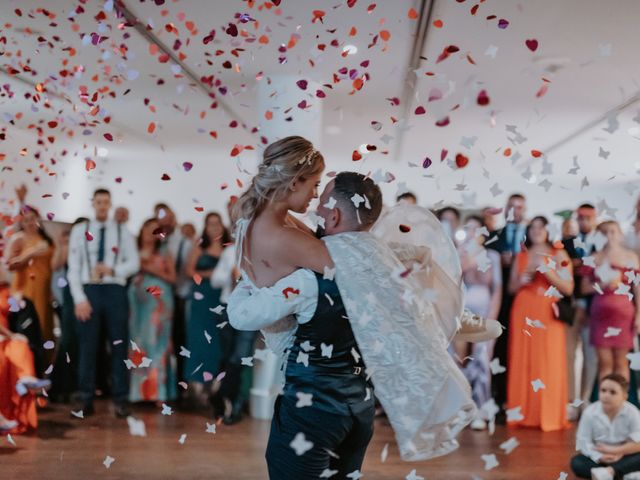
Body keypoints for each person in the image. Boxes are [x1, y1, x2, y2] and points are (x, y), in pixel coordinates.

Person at [227, 138, 486, 476]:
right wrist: (427, 283)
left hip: (314, 396)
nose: (315, 201)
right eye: (315, 185)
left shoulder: (266, 224)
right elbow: (362, 260)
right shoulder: (289, 237)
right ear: (294, 182)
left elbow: (353, 253)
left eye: (321, 191)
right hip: (340, 396)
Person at [67, 188, 139, 417]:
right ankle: (85, 398)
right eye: (98, 201)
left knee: (119, 346)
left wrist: (114, 269)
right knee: (88, 347)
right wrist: (79, 299)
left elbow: (134, 262)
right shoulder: (79, 230)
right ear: (93, 203)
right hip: (90, 291)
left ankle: (121, 399)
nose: (102, 205)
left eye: (106, 202)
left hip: (115, 290)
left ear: (110, 204)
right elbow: (74, 267)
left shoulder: (122, 230)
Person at [507, 216, 574, 431]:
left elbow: (568, 288)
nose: (537, 230)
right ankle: (523, 412)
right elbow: (510, 288)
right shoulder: (521, 255)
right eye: (533, 227)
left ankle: (548, 414)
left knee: (548, 359)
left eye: (541, 226)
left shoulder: (558, 254)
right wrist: (521, 280)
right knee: (523, 359)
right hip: (523, 309)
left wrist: (548, 272)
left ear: (548, 230)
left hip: (547, 312)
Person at [453, 215, 502, 430]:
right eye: (468, 229)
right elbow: (450, 280)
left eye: (476, 229)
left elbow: (497, 288)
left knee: (482, 359)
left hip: (484, 311)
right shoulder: (458, 254)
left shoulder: (493, 256)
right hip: (461, 311)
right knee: (458, 359)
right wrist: (467, 259)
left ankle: (481, 409)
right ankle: (461, 407)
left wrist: (492, 315)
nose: (473, 233)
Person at [209, 198, 253, 424]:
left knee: (240, 357)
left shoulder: (259, 249)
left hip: (250, 310)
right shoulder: (229, 252)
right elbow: (215, 281)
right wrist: (229, 274)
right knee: (228, 356)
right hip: (227, 307)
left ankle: (227, 401)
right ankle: (225, 403)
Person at [581, 221, 640, 384]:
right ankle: (605, 404)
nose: (609, 236)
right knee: (604, 363)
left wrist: (639, 316)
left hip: (624, 315)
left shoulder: (631, 257)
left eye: (613, 231)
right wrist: (603, 284)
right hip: (600, 315)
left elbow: (637, 289)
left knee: (621, 362)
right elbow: (584, 288)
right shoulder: (594, 257)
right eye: (605, 232)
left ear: (620, 234)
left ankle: (621, 404)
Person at [487, 193, 528, 413]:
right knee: (500, 348)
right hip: (500, 302)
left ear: (525, 210)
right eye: (511, 207)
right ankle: (499, 397)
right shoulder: (493, 237)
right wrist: (503, 264)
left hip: (527, 302)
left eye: (520, 207)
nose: (515, 211)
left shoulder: (534, 237)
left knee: (523, 349)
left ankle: (520, 398)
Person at [128, 218, 177, 403]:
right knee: (138, 343)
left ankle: (159, 393)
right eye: (147, 229)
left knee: (156, 342)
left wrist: (150, 269)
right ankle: (139, 393)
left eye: (154, 231)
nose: (150, 234)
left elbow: (173, 278)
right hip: (137, 302)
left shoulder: (165, 252)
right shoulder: (133, 251)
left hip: (159, 303)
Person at [183, 212, 229, 394]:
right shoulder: (199, 246)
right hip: (201, 295)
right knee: (199, 338)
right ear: (205, 226)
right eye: (211, 224)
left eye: (217, 224)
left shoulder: (228, 246)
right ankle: (196, 383)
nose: (214, 227)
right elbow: (189, 272)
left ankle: (213, 381)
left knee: (217, 339)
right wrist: (208, 276)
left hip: (221, 296)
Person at [563, 204, 599, 420]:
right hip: (570, 306)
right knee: (568, 354)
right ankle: (570, 401)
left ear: (595, 219)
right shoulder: (566, 243)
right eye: (581, 217)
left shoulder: (603, 243)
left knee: (590, 356)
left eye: (589, 217)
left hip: (594, 306)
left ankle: (586, 401)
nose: (585, 221)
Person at [570, 373, 640, 480]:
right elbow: (582, 442)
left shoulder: (633, 412)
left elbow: (638, 444)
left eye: (613, 392)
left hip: (624, 455)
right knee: (577, 463)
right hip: (599, 457)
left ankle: (608, 473)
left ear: (624, 396)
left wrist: (616, 451)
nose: (606, 395)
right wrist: (600, 457)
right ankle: (623, 474)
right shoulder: (590, 412)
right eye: (603, 390)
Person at [154, 204, 192, 395]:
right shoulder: (154, 241)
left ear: (174, 219)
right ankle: (160, 384)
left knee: (178, 342)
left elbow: (187, 272)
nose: (164, 222)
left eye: (167, 218)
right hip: (155, 301)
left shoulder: (183, 242)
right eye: (160, 218)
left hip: (177, 297)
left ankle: (179, 386)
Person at [50, 218, 88, 402]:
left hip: (86, 294)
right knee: (68, 341)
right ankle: (59, 387)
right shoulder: (71, 246)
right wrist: (61, 244)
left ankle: (74, 386)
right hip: (71, 296)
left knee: (80, 343)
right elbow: (56, 265)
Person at [5, 205, 55, 343]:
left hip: (44, 290)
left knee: (44, 327)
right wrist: (31, 253)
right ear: (21, 223)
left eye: (32, 218)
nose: (30, 223)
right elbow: (9, 265)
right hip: (24, 290)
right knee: (28, 327)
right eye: (26, 220)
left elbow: (52, 266)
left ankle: (44, 362)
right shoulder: (18, 238)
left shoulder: (46, 239)